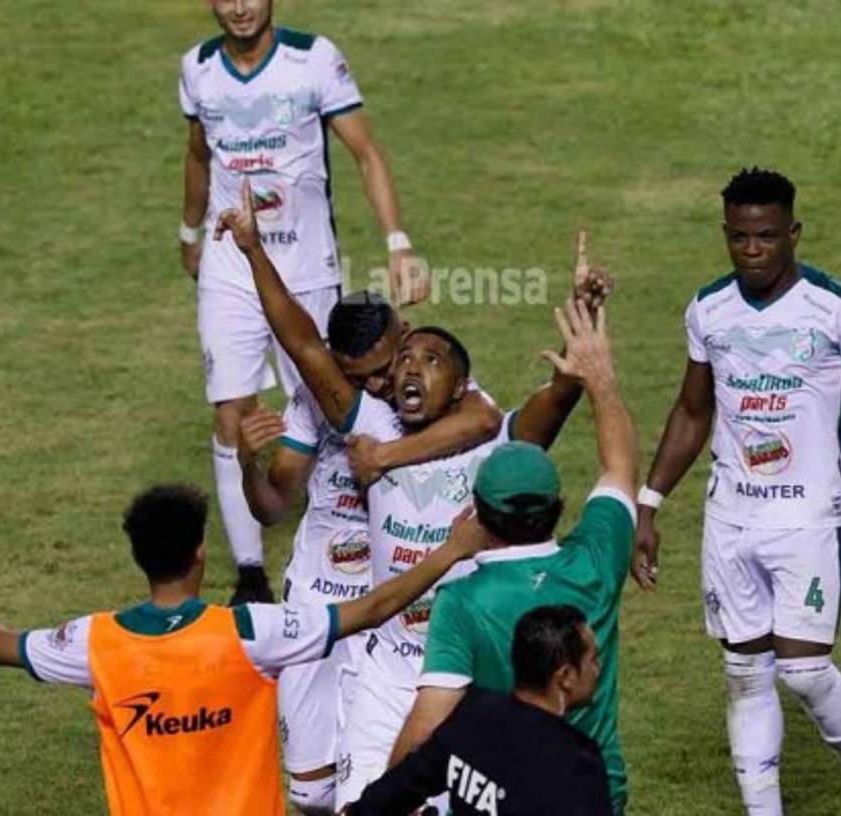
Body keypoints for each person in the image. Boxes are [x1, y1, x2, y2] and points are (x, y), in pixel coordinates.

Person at [213, 180, 602, 809]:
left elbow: (555, 400)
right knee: (356, 804)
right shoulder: (367, 423)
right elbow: (303, 344)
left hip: (462, 666)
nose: (413, 367)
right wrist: (255, 251)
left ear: (462, 384)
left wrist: (583, 333)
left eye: (433, 359)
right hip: (385, 665)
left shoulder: (489, 440)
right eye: (407, 360)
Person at [630, 168, 841, 815]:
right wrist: (648, 504)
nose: (752, 250)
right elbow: (690, 412)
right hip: (731, 518)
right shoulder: (708, 310)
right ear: (725, 235)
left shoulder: (836, 307)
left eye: (765, 236)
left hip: (809, 517)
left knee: (804, 671)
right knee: (743, 674)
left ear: (792, 233)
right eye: (739, 237)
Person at [0, 482, 486, 816]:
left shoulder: (95, 642)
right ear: (200, 553)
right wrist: (451, 549)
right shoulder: (251, 633)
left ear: (139, 557)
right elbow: (370, 609)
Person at [178, 0, 428, 603]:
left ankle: (357, 535)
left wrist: (399, 243)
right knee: (233, 410)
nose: (239, 8)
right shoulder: (198, 68)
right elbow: (198, 155)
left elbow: (366, 152)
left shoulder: (314, 60)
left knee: (329, 400)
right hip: (230, 261)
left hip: (306, 268)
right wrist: (189, 231)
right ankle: (249, 575)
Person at [237, 291, 500, 813]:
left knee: (390, 785)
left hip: (387, 615)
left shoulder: (436, 395)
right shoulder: (319, 401)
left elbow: (486, 421)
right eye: (356, 378)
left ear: (403, 336)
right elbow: (271, 508)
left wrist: (382, 456)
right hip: (317, 605)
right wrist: (246, 463)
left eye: (382, 370)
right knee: (312, 793)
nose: (374, 386)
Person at [390, 299, 639, 813]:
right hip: (595, 791)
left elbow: (428, 723)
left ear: (477, 513)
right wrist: (602, 377)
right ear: (558, 507)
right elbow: (619, 467)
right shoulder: (596, 560)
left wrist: (383, 802)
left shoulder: (461, 602)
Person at [343, 605, 613, 816]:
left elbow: (400, 788)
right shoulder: (577, 761)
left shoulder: (472, 712)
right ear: (565, 676)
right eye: (592, 660)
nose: (597, 669)